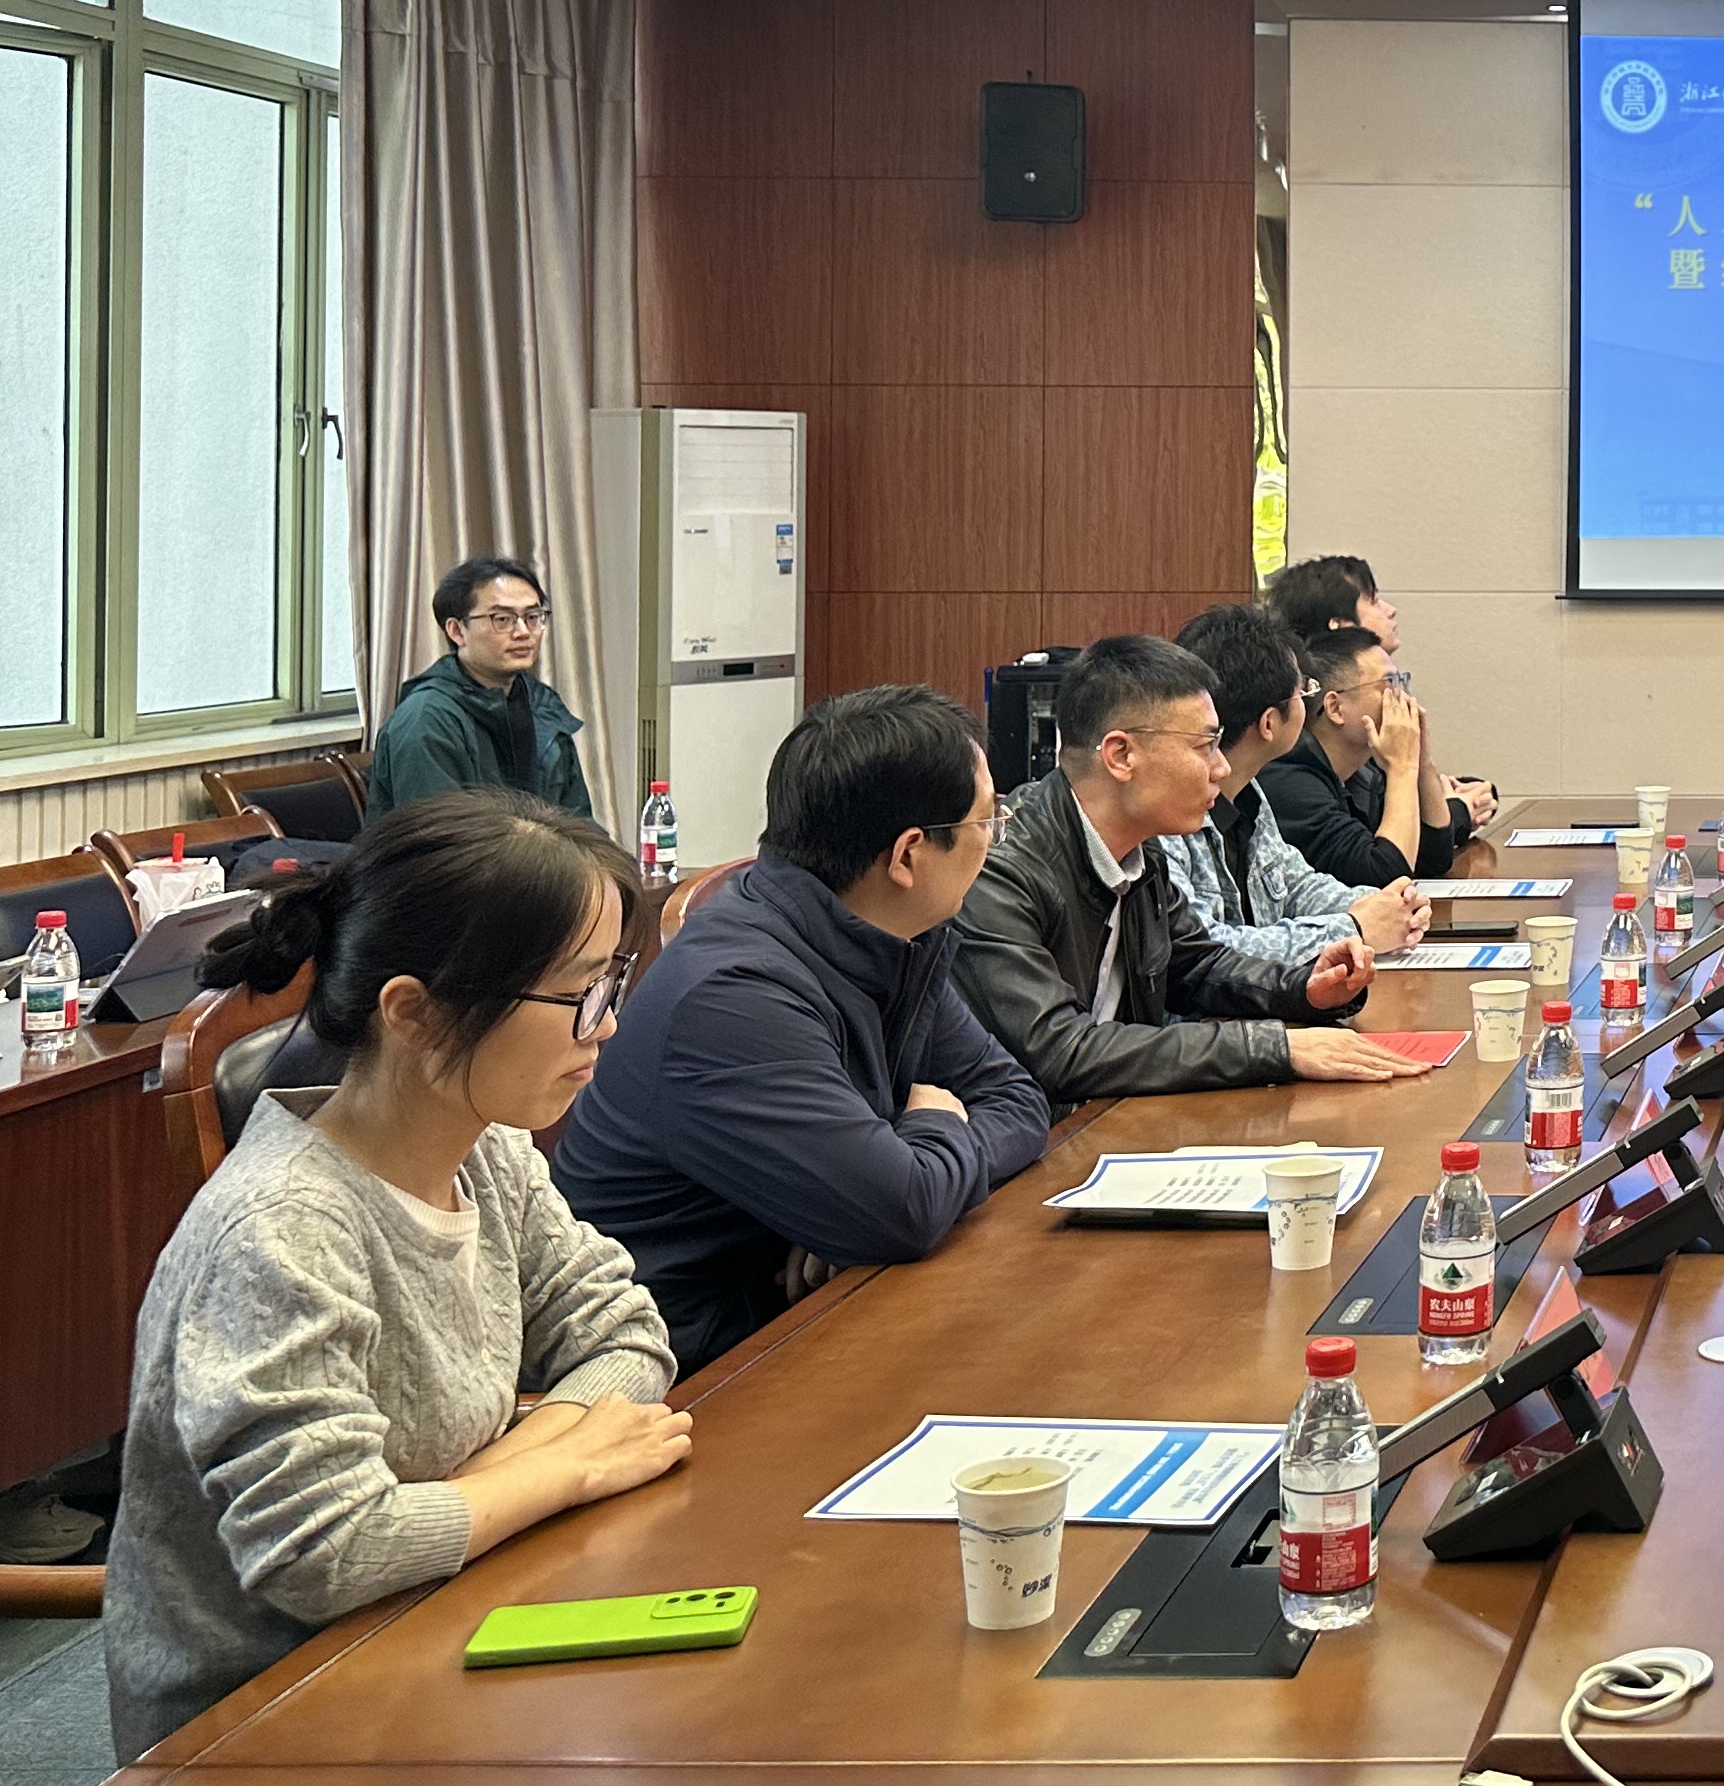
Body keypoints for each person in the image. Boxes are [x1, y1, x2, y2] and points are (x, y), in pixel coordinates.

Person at [105, 794, 683, 1758]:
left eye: (612, 984)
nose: (608, 1026)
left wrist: (489, 1483)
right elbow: (326, 1555)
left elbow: (625, 1335)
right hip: (265, 1735)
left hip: (443, 1621)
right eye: (580, 994)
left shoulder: (485, 1152)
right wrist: (561, 1466)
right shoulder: (280, 1233)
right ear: (414, 1012)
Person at [553, 687, 1053, 1375]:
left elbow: (1019, 1101)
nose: (996, 838)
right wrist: (921, 1138)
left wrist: (877, 1184)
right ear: (908, 855)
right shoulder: (732, 997)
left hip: (812, 1313)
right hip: (687, 1371)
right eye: (988, 820)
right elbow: (903, 1210)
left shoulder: (893, 936)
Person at [953, 635, 1430, 1098]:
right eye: (1205, 746)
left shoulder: (1141, 850)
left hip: (1114, 1117)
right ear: (1121, 755)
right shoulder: (1002, 871)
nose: (1221, 768)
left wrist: (1306, 988)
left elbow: (1197, 965)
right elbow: (1063, 1050)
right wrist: (1274, 1047)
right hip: (1043, 1137)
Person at [1164, 601, 1428, 997]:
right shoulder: (1168, 812)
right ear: (1270, 722)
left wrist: (1386, 906)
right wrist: (1355, 926)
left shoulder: (1249, 792)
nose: (1309, 701)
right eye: (1303, 692)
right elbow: (1206, 951)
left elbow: (1294, 884)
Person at [1272, 553, 1497, 836]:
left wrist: (1461, 795)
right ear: (1340, 626)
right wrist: (1456, 811)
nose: (1390, 610)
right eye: (1374, 600)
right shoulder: (1302, 758)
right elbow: (1386, 845)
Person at [366, 555, 594, 820]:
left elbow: (579, 822)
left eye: (533, 617)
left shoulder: (540, 705)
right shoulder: (425, 720)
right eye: (503, 619)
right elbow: (444, 836)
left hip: (535, 848)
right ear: (457, 631)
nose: (523, 631)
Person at [1260, 618, 1467, 888]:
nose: (1403, 698)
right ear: (1335, 708)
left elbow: (1434, 856)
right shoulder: (1289, 779)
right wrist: (1402, 768)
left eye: (1401, 681)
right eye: (1388, 684)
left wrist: (1422, 760)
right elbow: (1386, 878)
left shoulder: (1362, 774)